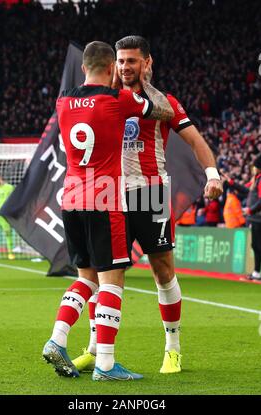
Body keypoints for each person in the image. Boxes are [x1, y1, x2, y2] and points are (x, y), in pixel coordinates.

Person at [72, 35, 223, 375]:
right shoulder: (101, 99)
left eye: (132, 61)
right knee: (102, 274)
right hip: (109, 195)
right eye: (121, 61)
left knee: (163, 271)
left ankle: (173, 348)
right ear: (113, 64)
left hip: (150, 193)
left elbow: (196, 140)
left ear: (147, 63)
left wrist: (212, 174)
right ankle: (97, 350)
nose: (126, 67)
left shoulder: (163, 102)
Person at [42, 40, 175, 381]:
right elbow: (163, 111)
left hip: (69, 200)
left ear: (84, 67)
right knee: (112, 282)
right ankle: (105, 364)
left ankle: (58, 338)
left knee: (84, 279)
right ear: (113, 68)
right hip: (105, 201)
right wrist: (142, 80)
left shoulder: (63, 102)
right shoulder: (120, 100)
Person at [224, 154, 261, 281]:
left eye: (254, 166)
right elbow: (246, 190)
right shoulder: (258, 179)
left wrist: (250, 209)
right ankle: (257, 272)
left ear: (258, 167)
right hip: (256, 218)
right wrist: (231, 183)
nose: (253, 168)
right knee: (256, 245)